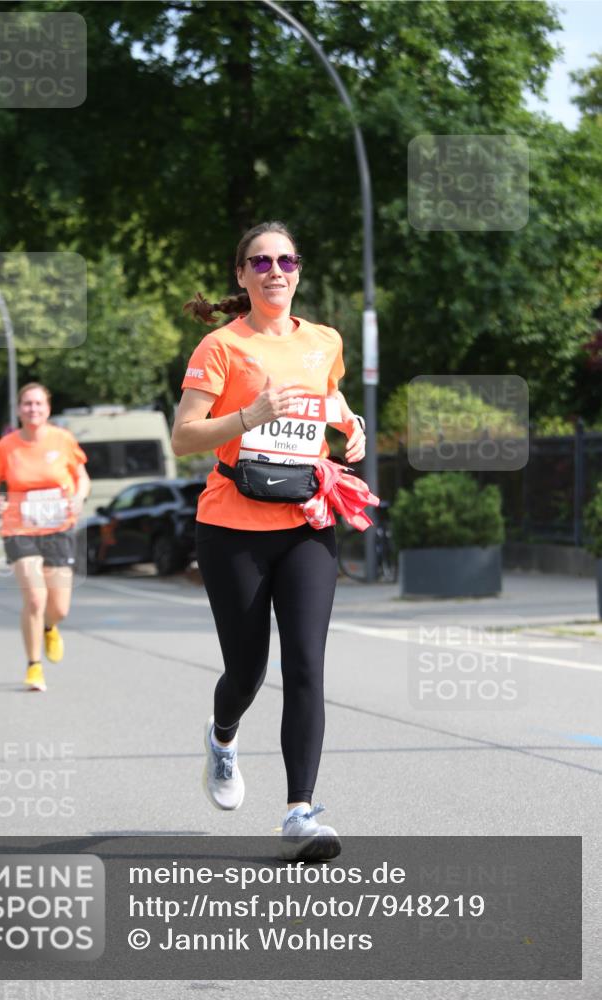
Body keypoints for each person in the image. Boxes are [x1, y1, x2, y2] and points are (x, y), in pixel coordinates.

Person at [172, 221, 370, 862]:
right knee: (248, 670)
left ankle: (300, 811)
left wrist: (349, 420)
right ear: (242, 274)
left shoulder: (325, 340)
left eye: (285, 260)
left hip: (308, 518)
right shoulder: (220, 347)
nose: (274, 270)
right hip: (232, 525)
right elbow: (184, 436)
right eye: (260, 261)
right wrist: (249, 417)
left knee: (307, 663)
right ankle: (223, 735)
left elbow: (325, 394)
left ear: (298, 269)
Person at [0, 383, 90, 692]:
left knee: (60, 607)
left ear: (48, 408)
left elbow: (81, 477)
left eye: (38, 403)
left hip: (58, 527)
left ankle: (49, 626)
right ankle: (34, 666)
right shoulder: (6, 446)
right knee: (34, 597)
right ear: (19, 409)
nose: (33, 409)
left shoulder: (63, 439)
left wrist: (79, 497)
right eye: (27, 404)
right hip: (19, 527)